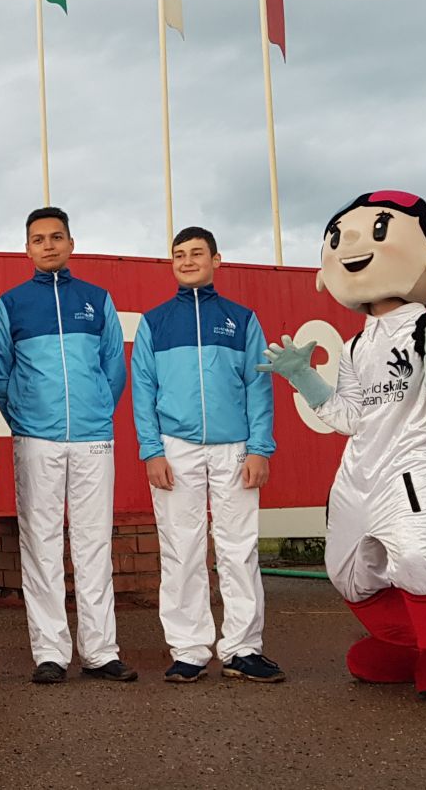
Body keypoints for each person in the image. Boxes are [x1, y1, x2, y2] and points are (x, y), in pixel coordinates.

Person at [260, 191, 426, 701]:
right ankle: (410, 645)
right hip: (359, 468)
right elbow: (349, 417)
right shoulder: (357, 343)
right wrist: (305, 378)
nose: (352, 246)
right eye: (338, 238)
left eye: (378, 231)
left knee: (413, 556)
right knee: (346, 571)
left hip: (412, 465)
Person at [0, 206, 136, 685]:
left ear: (71, 243)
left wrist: (96, 412)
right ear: (27, 248)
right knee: (41, 546)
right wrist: (25, 420)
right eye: (38, 239)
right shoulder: (11, 304)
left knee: (94, 544)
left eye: (56, 237)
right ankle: (50, 652)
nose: (48, 245)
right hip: (36, 440)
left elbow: (114, 365)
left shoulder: (97, 299)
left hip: (93, 439)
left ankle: (100, 652)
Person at [132, 227, 283, 685]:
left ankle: (242, 649)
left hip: (234, 448)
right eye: (179, 254)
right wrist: (152, 451)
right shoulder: (154, 322)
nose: (188, 260)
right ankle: (190, 650)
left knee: (240, 549)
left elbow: (259, 387)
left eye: (197, 253)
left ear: (217, 259)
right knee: (181, 550)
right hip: (175, 449)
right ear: (172, 263)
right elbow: (143, 390)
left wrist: (259, 448)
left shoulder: (241, 319)